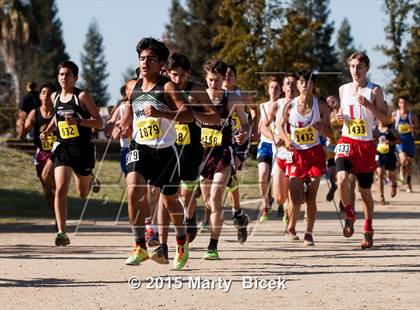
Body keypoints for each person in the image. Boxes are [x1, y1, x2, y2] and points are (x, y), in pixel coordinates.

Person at [113, 38, 193, 269]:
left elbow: (187, 116)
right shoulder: (137, 86)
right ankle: (139, 246)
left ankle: (181, 241)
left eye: (150, 59)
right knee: (133, 191)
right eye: (142, 58)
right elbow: (129, 112)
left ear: (160, 64)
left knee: (169, 202)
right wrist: (120, 125)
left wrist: (161, 112)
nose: (145, 63)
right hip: (140, 147)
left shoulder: (167, 87)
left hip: (165, 152)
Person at [151, 53, 221, 262]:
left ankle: (190, 219)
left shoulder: (196, 90)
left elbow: (216, 118)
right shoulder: (162, 89)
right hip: (167, 148)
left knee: (185, 196)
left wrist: (192, 114)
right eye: (174, 74)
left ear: (188, 74)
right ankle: (162, 245)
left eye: (182, 75)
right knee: (166, 196)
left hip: (191, 150)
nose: (178, 79)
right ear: (167, 72)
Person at [40, 60, 103, 246]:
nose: (64, 78)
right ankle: (61, 232)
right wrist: (48, 130)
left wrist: (79, 122)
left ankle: (89, 177)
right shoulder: (54, 97)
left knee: (83, 193)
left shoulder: (82, 96)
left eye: (68, 75)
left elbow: (99, 122)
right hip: (63, 148)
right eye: (61, 74)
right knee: (60, 188)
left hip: (82, 149)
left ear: (75, 78)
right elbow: (56, 117)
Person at [335, 52, 388, 249]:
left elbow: (385, 119)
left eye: (359, 67)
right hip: (347, 140)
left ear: (367, 68)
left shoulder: (375, 91)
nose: (355, 70)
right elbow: (340, 113)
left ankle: (368, 230)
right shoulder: (343, 89)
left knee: (364, 192)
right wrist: (338, 117)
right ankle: (349, 212)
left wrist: (369, 106)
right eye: (352, 66)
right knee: (340, 179)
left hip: (365, 145)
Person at [200, 58, 248, 260]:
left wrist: (242, 134)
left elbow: (245, 124)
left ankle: (212, 246)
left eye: (217, 80)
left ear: (223, 80)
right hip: (204, 156)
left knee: (215, 198)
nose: (214, 85)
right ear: (206, 78)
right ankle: (239, 216)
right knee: (208, 203)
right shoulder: (198, 99)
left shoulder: (233, 100)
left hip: (224, 153)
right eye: (211, 80)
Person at [279, 71, 331, 246]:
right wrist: (287, 141)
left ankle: (308, 233)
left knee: (311, 198)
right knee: (296, 197)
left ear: (312, 85)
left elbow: (332, 132)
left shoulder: (321, 105)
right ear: (297, 85)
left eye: (308, 83)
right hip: (296, 154)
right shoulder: (290, 105)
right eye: (301, 82)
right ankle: (292, 222)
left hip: (315, 153)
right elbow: (280, 126)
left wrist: (322, 127)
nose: (304, 85)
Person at [260, 73, 298, 223]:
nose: (290, 86)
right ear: (283, 88)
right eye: (287, 83)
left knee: (293, 190)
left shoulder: (304, 104)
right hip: (281, 153)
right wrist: (274, 137)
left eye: (293, 83)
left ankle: (291, 225)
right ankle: (284, 207)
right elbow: (263, 126)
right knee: (279, 197)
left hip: (299, 153)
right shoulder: (277, 105)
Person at [18, 82, 57, 228]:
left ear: (54, 96)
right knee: (46, 190)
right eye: (43, 92)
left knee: (48, 178)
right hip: (41, 153)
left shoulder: (58, 112)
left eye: (49, 93)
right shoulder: (35, 113)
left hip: (57, 152)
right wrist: (22, 121)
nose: (46, 95)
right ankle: (57, 215)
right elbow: (22, 136)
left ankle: (61, 194)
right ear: (39, 96)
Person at [222, 65, 252, 243]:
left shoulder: (241, 96)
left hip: (237, 141)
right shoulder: (211, 94)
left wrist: (249, 131)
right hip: (215, 142)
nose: (226, 77)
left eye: (230, 75)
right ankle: (238, 215)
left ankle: (237, 214)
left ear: (235, 77)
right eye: (223, 75)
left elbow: (253, 112)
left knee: (230, 173)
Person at [256, 76, 282, 222]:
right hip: (266, 144)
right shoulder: (263, 106)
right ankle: (266, 205)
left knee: (277, 178)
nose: (273, 90)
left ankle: (281, 204)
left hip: (280, 147)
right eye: (271, 87)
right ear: (268, 90)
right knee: (263, 174)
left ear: (281, 91)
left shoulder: (284, 105)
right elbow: (261, 126)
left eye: (277, 88)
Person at [392, 96, 418, 193]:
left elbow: (418, 128)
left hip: (410, 141)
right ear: (399, 104)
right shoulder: (395, 115)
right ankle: (401, 173)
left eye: (405, 103)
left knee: (409, 163)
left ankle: (408, 184)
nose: (403, 105)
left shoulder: (412, 115)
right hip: (400, 141)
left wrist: (413, 127)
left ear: (408, 104)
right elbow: (391, 127)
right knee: (404, 160)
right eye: (401, 102)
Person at [374, 120, 400, 204]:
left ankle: (394, 184)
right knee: (380, 173)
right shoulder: (374, 128)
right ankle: (381, 197)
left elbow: (399, 140)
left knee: (390, 174)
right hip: (379, 155)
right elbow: (372, 139)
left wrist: (390, 142)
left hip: (390, 155)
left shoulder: (391, 128)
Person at [325, 95, 342, 202]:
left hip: (343, 144)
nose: (332, 101)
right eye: (329, 101)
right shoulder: (329, 115)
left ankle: (342, 200)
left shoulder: (344, 111)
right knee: (331, 172)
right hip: (332, 145)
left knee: (341, 173)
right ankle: (333, 186)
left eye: (333, 99)